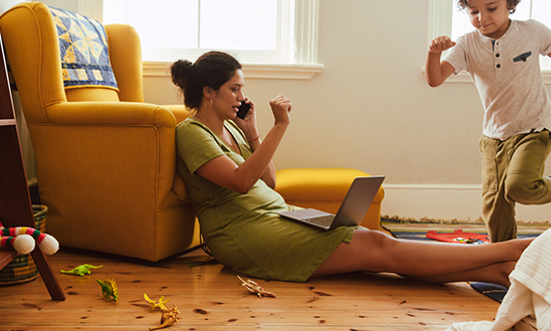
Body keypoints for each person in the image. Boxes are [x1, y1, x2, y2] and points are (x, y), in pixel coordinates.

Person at [171, 51, 531, 285]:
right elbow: (240, 182)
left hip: (278, 213)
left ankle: (498, 273)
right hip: (244, 234)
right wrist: (280, 127)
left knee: (374, 247)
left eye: (241, 89)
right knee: (375, 244)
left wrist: (252, 133)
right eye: (234, 89)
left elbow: (269, 181)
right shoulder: (191, 132)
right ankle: (510, 250)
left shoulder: (234, 128)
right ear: (208, 92)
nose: (241, 97)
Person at [425, 0, 551, 243]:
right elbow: (435, 79)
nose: (482, 18)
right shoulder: (467, 44)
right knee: (494, 206)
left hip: (533, 128)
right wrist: (433, 53)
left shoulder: (531, 31)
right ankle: (505, 257)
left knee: (519, 186)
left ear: (510, 3)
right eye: (473, 11)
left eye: (491, 8)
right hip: (494, 137)